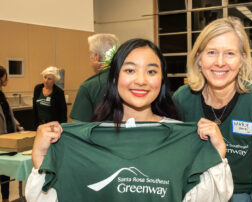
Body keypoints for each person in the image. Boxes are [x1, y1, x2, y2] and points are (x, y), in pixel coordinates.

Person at [26, 39, 233, 202]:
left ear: (161, 80)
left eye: (151, 71)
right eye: (130, 70)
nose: (141, 80)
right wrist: (41, 160)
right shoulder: (79, 141)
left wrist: (216, 157)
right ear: (114, 79)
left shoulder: (184, 139)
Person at [173, 17, 252, 202]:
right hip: (193, 189)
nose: (220, 62)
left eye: (230, 53)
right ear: (199, 58)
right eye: (211, 52)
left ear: (242, 59)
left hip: (239, 193)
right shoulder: (182, 99)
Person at [69, 33, 119, 122]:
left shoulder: (89, 87)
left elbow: (79, 127)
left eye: (90, 55)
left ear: (97, 57)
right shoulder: (132, 80)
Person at [0, 66, 23, 202]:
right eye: (5, 76)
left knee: (5, 172)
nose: (6, 79)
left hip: (9, 136)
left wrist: (18, 126)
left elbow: (9, 115)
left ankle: (6, 199)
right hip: (2, 138)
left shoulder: (2, 95)